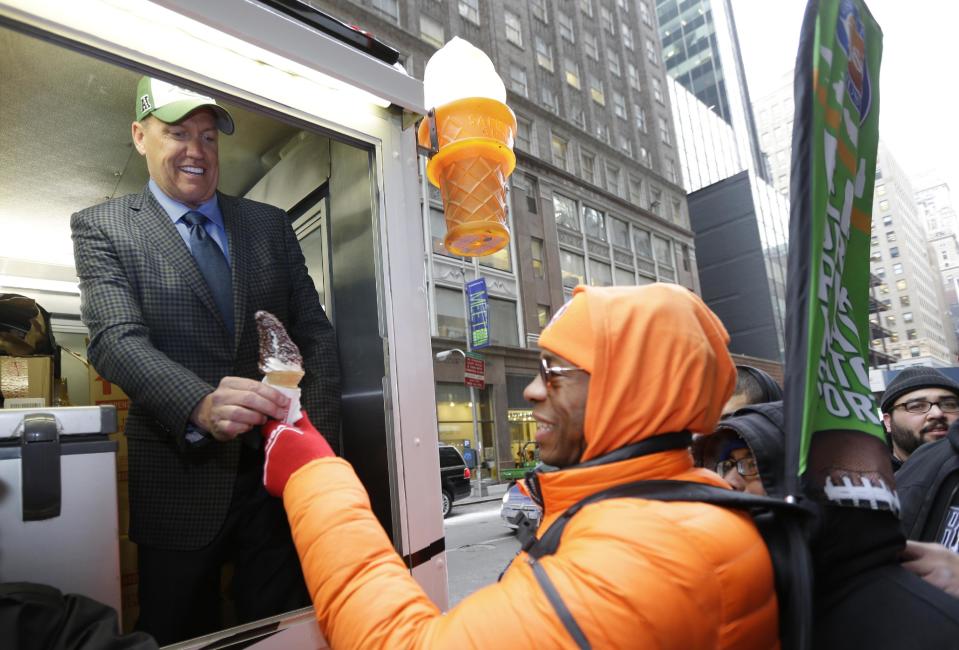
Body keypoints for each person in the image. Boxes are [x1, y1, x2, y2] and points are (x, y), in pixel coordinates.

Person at [259, 284, 779, 648]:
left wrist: (314, 474)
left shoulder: (652, 558)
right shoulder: (649, 513)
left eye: (554, 373)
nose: (531, 390)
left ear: (630, 392)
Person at [71, 77, 341, 644]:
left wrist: (315, 446)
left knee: (283, 627)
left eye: (208, 136)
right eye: (177, 133)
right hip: (179, 477)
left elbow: (314, 332)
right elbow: (116, 339)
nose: (196, 150)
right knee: (177, 630)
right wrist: (198, 402)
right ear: (140, 136)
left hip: (276, 478)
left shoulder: (267, 225)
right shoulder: (104, 227)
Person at [879, 366, 959, 471]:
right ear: (888, 422)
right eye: (916, 406)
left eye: (949, 404)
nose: (937, 413)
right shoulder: (864, 479)